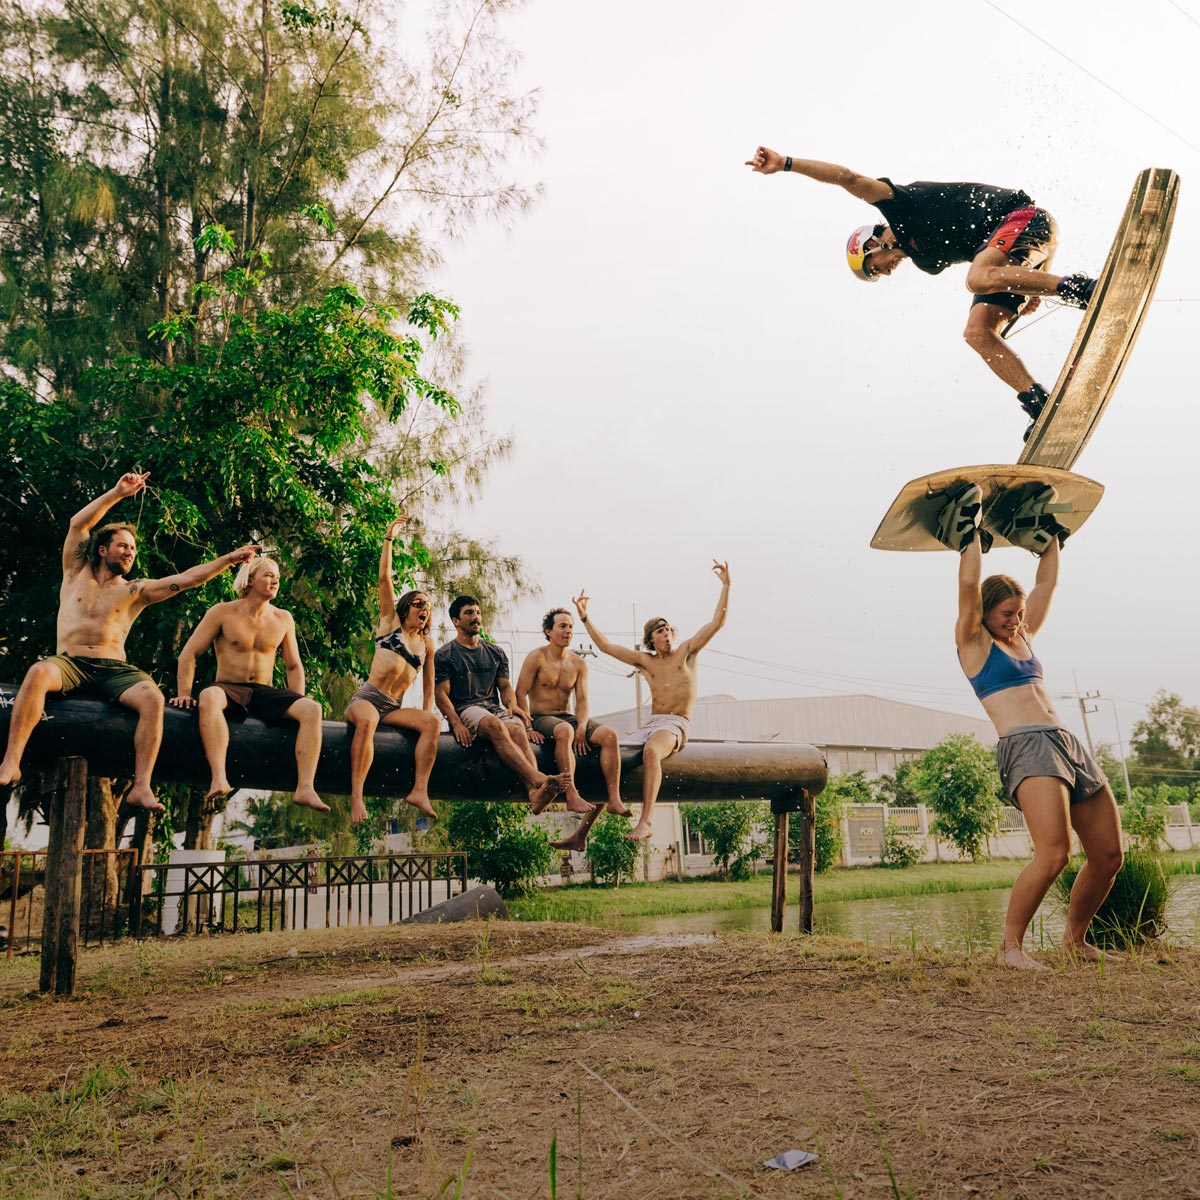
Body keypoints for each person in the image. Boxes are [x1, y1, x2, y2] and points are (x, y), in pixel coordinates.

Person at [745, 146, 1099, 437]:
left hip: (1022, 217)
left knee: (977, 278)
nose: (884, 272)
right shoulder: (925, 260)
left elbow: (847, 178)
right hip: (1014, 248)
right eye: (877, 276)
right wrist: (1037, 282)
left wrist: (787, 164)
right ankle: (1038, 402)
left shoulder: (897, 205)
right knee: (977, 333)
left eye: (874, 266)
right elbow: (1001, 262)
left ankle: (1082, 288)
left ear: (872, 242)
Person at [0, 471, 260, 810]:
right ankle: (11, 761)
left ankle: (141, 786)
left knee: (152, 697)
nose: (130, 552)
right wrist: (117, 493)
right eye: (124, 546)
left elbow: (186, 579)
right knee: (36, 673)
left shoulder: (135, 590)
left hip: (113, 669)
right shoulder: (76, 571)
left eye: (133, 549)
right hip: (70, 663)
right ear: (103, 549)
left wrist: (229, 560)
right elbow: (78, 525)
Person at [949, 495, 1122, 969]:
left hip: (1066, 743)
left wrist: (1051, 542)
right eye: (1006, 614)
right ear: (985, 613)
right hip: (1026, 747)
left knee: (1108, 854)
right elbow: (967, 587)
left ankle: (1075, 940)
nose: (1016, 620)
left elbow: (1047, 582)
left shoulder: (1023, 636)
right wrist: (971, 537)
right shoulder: (973, 643)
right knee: (1053, 854)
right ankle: (1010, 948)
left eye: (1019, 613)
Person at [573, 561, 730, 841]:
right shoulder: (646, 662)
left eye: (668, 628)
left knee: (651, 752)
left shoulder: (687, 652)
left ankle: (646, 821)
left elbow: (717, 622)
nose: (666, 633)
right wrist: (585, 618)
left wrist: (726, 585)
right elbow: (606, 647)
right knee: (613, 760)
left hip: (675, 725)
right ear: (651, 640)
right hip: (652, 723)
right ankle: (581, 834)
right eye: (660, 631)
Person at [170, 555, 329, 812]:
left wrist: (295, 700)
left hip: (263, 692)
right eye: (268, 575)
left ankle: (305, 788)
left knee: (312, 709)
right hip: (228, 687)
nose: (275, 579)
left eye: (277, 576)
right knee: (209, 697)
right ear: (250, 580)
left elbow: (293, 665)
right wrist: (184, 693)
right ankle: (219, 777)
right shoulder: (222, 612)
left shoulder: (283, 618)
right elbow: (189, 654)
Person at [343, 517, 439, 823]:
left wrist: (426, 713)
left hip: (394, 707)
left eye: (428, 607)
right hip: (369, 699)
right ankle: (357, 797)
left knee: (432, 724)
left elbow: (429, 683)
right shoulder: (390, 623)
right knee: (368, 721)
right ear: (407, 606)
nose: (423, 609)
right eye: (418, 603)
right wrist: (388, 540)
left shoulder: (427, 644)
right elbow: (384, 579)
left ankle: (419, 790)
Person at [434, 595, 567, 812]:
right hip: (467, 709)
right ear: (455, 621)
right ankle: (538, 778)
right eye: (469, 613)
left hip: (493, 708)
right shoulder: (445, 655)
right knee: (495, 725)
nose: (475, 617)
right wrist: (456, 723)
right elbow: (440, 694)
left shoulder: (496, 652)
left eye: (477, 612)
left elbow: (505, 688)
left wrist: (512, 705)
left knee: (516, 728)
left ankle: (534, 793)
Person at [516, 607, 631, 852]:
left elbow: (582, 702)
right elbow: (519, 693)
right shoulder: (537, 657)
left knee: (610, 736)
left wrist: (581, 726)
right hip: (541, 718)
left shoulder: (578, 663)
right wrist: (527, 727)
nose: (568, 631)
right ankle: (571, 795)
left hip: (568, 718)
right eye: (562, 626)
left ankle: (614, 799)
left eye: (570, 626)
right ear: (549, 631)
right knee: (564, 733)